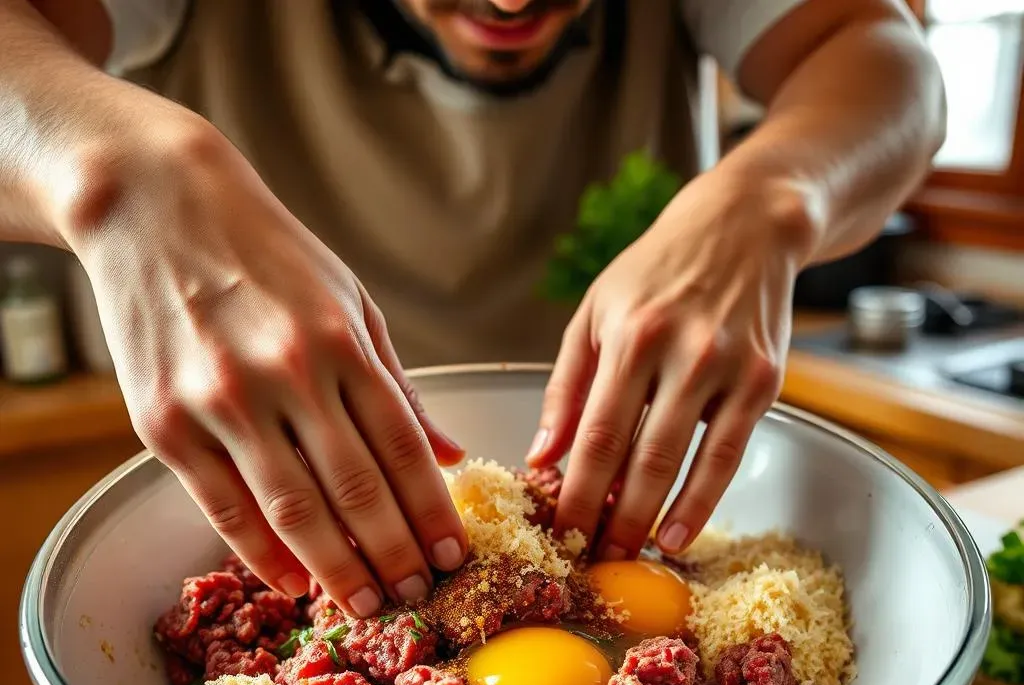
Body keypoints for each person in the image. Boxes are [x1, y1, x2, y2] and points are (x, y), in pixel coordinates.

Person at [0, 0, 944, 618]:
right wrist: (111, 176)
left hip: (616, 509)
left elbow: (885, 60)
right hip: (282, 521)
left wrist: (773, 199)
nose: (507, 3)